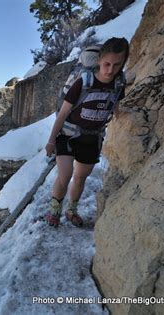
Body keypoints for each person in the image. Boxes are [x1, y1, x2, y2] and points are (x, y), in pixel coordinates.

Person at [45, 37, 130, 227]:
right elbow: (63, 113)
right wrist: (51, 141)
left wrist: (123, 116)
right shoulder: (83, 83)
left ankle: (71, 210)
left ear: (123, 63)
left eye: (116, 65)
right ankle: (54, 211)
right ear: (99, 60)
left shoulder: (119, 83)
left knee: (80, 177)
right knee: (65, 176)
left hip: (91, 138)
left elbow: (114, 105)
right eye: (106, 64)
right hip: (68, 135)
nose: (110, 69)